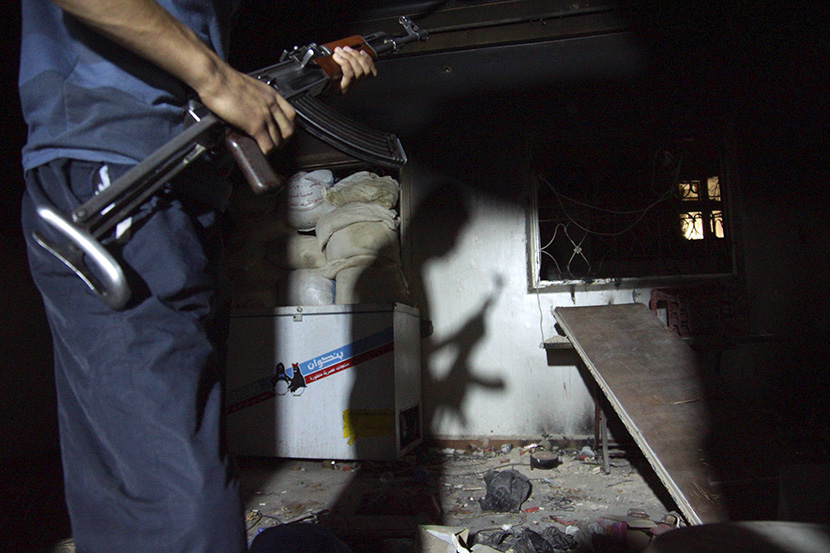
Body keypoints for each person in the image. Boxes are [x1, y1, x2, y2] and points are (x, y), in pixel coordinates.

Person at [18, 1, 376, 552]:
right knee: (172, 487)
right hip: (121, 182)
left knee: (136, 474)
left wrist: (299, 78)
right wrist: (213, 76)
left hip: (176, 186)